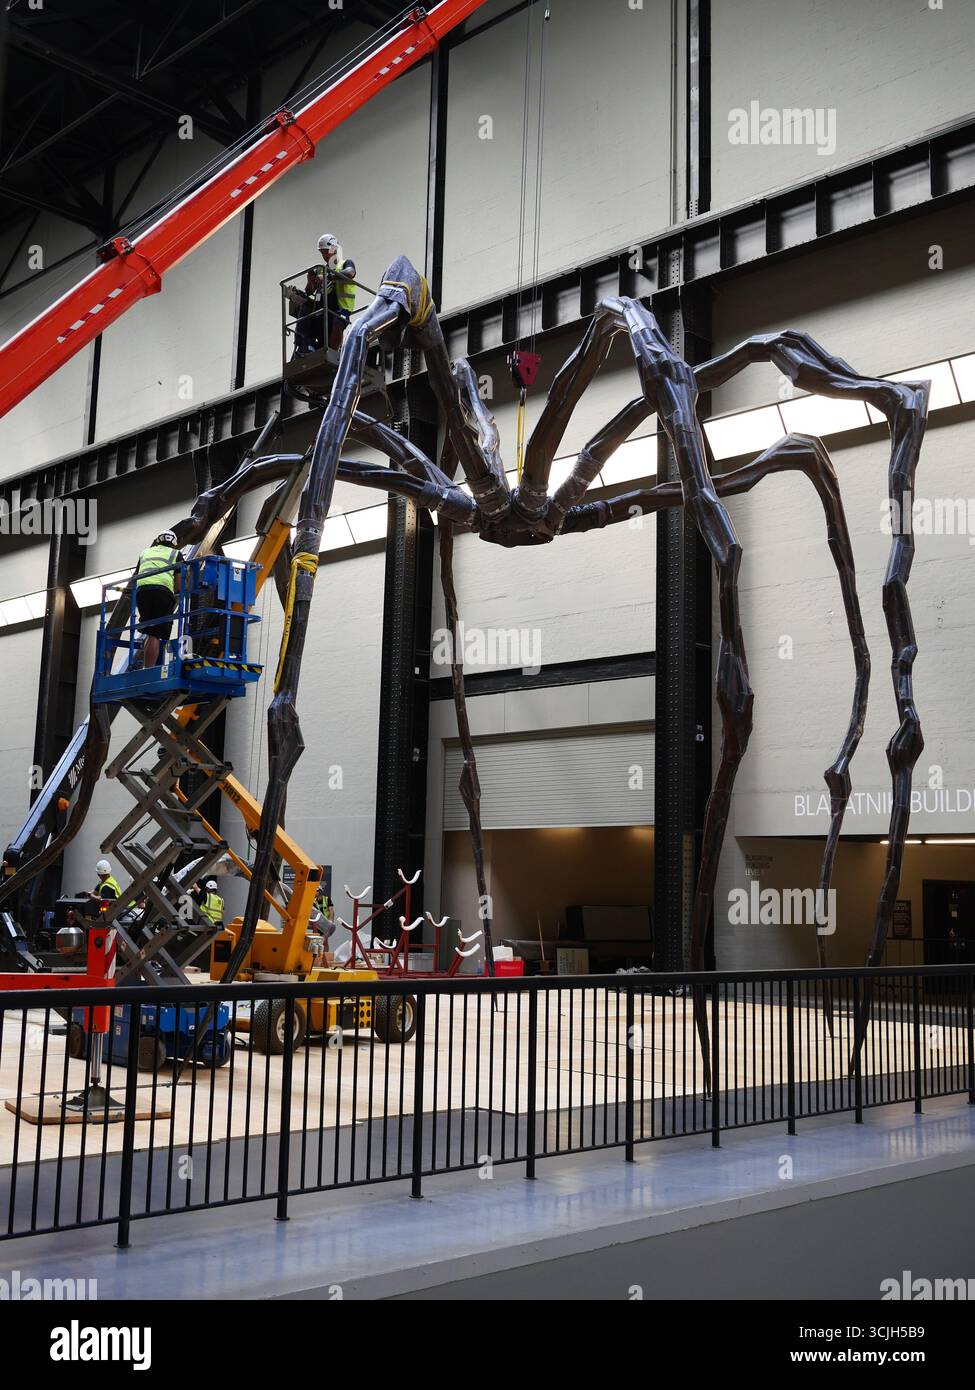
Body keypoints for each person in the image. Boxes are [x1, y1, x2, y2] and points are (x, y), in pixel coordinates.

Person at [288, 233, 356, 355]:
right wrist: (310, 281)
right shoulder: (321, 269)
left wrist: (328, 276)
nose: (324, 256)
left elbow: (350, 273)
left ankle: (332, 353)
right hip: (323, 310)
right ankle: (304, 349)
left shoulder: (344, 263)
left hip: (340, 309)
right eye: (322, 253)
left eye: (326, 252)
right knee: (306, 318)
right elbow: (310, 291)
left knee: (337, 322)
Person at [135, 531, 182, 667]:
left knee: (150, 631)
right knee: (155, 634)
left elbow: (137, 574)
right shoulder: (175, 554)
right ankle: (148, 669)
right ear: (174, 543)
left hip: (142, 592)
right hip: (161, 592)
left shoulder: (144, 552)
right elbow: (179, 586)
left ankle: (147, 666)